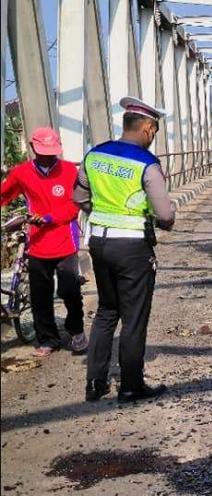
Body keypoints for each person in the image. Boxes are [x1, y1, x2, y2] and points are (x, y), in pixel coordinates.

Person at [73, 96, 175, 403]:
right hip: (132, 247)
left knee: (106, 311)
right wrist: (162, 221)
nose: (153, 137)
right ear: (147, 127)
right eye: (154, 131)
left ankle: (95, 384)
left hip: (100, 244)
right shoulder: (146, 163)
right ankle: (131, 386)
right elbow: (165, 214)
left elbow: (79, 198)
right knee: (134, 317)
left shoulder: (94, 156)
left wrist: (104, 216)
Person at [0, 127, 86, 356]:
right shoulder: (21, 173)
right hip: (37, 243)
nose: (49, 156)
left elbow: (74, 205)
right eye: (43, 152)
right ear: (32, 149)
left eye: (52, 152)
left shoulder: (69, 170)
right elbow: (4, 195)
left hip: (65, 240)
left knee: (70, 288)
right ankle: (48, 338)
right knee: (40, 294)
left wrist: (48, 218)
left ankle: (76, 329)